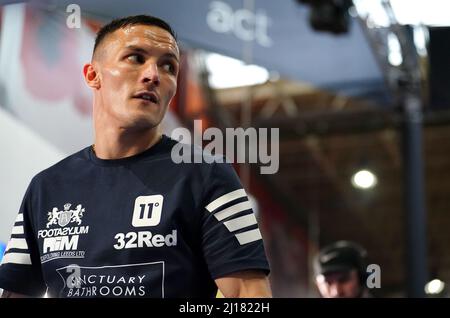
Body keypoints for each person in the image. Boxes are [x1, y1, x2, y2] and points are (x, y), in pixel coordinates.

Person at [0, 15, 271, 298]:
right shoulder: (46, 188)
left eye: (169, 66)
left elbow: (249, 297)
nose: (153, 74)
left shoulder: (207, 175)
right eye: (135, 57)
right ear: (93, 75)